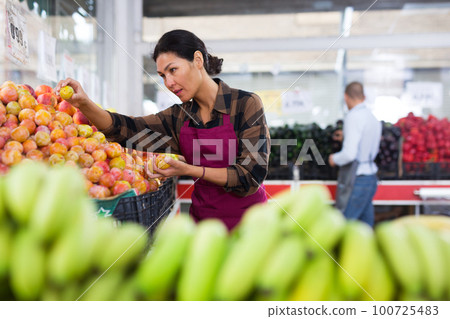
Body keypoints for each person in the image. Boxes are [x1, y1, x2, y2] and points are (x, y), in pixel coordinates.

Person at [56, 29, 270, 231]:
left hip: (252, 229)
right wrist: (84, 104)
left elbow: (250, 176)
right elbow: (126, 130)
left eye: (173, 70)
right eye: (162, 76)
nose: (168, 82)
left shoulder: (245, 104)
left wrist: (188, 170)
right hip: (202, 229)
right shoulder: (178, 117)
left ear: (197, 60)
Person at [328, 82, 381, 227]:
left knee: (344, 225)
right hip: (371, 177)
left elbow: (350, 154)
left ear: (346, 97)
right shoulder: (372, 117)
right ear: (363, 96)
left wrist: (334, 159)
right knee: (365, 226)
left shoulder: (353, 116)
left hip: (357, 179)